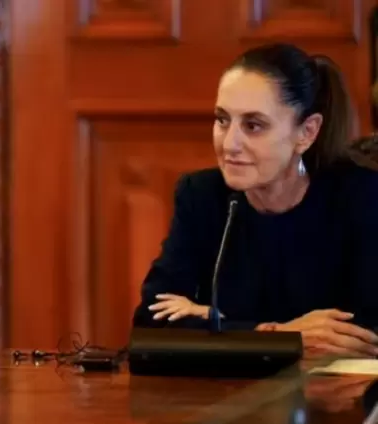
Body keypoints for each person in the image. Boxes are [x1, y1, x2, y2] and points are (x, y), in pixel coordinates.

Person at [132, 42, 378, 359]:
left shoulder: (361, 196)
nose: (229, 144)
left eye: (253, 126)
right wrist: (278, 334)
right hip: (229, 388)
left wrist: (217, 321)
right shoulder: (202, 196)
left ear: (306, 132)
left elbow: (366, 333)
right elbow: (152, 324)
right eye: (222, 120)